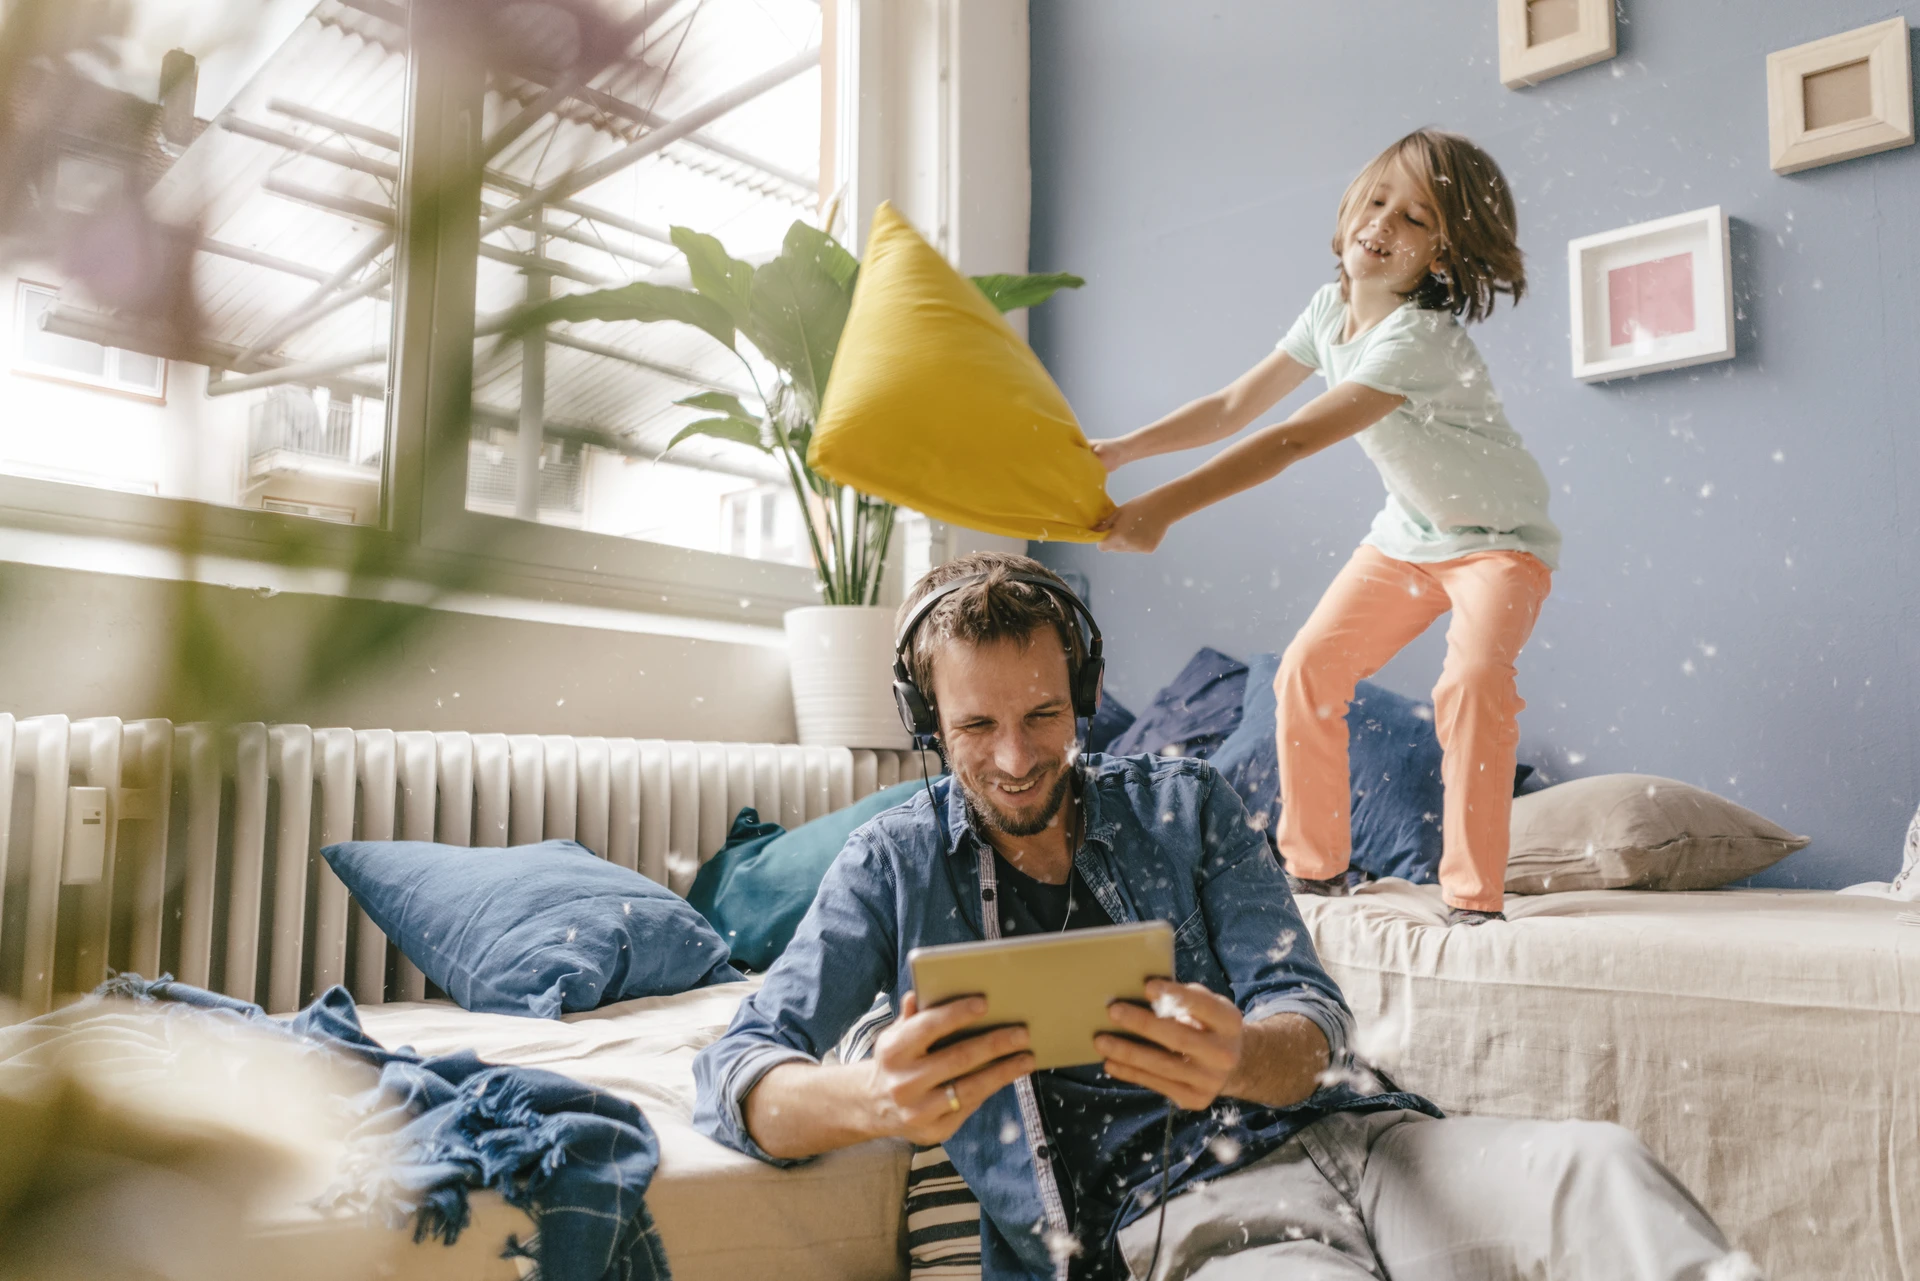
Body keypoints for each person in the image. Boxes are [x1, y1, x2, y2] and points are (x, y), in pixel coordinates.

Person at [693, 553, 1751, 1281]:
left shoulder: (1181, 804)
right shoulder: (893, 861)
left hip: (1366, 1142)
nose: (1015, 759)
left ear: (1086, 693)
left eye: (1045, 716)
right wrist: (873, 1098)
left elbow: (1309, 1014)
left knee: (1602, 1169)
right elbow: (744, 1065)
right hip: (1192, 1214)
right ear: (928, 719)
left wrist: (1237, 1056)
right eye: (976, 724)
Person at [1092, 129, 1557, 925]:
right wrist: (1121, 451)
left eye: (1414, 219)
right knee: (1306, 668)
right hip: (1410, 534)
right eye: (1377, 201)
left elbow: (1292, 438)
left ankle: (1474, 898)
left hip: (1499, 542)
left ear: (1441, 258)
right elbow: (1234, 408)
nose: (1383, 223)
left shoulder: (1417, 338)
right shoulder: (1328, 310)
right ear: (1348, 209)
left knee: (1473, 682)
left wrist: (1160, 509)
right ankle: (1315, 873)